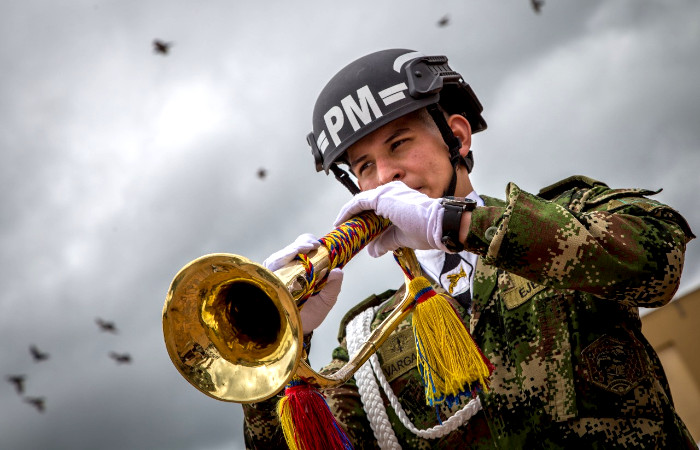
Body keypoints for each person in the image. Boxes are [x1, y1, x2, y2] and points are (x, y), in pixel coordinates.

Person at [243, 48, 696, 449]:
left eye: (399, 144)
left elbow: (659, 259)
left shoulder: (571, 214)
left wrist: (457, 222)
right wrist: (281, 345)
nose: (384, 177)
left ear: (456, 137)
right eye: (364, 166)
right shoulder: (367, 340)